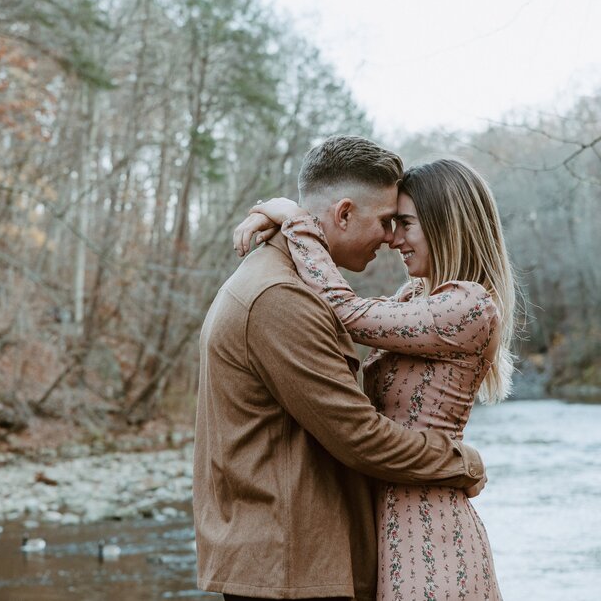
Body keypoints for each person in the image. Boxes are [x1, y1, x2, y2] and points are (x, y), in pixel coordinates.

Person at [193, 136, 487, 601]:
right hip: (288, 567)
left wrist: (290, 218)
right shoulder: (280, 298)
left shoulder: (281, 281)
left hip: (296, 558)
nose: (391, 238)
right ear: (345, 213)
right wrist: (461, 462)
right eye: (387, 222)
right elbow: (358, 435)